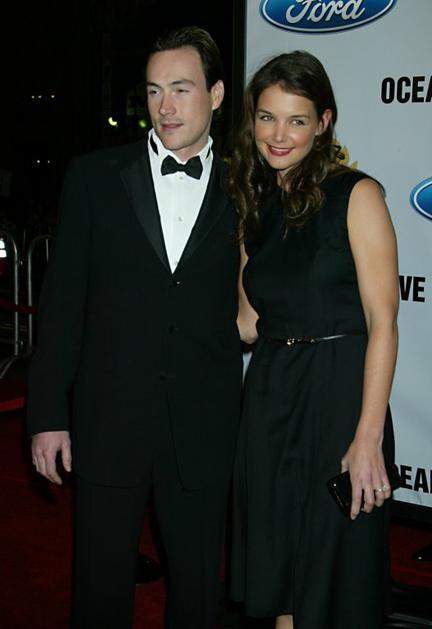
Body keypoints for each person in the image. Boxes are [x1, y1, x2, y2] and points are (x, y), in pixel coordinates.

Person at [27, 26, 243, 629]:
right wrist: (47, 413)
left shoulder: (249, 188)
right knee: (98, 593)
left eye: (181, 89)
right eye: (153, 91)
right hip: (109, 422)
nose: (164, 107)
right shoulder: (94, 178)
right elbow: (63, 304)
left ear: (216, 94)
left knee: (198, 596)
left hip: (203, 429)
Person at [229, 51, 399, 629]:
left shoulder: (357, 194)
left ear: (324, 123)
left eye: (296, 120)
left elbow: (383, 321)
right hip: (271, 395)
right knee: (280, 567)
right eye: (267, 117)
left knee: (331, 570)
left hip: (337, 395)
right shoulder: (255, 206)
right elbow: (246, 323)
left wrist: (368, 438)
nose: (278, 135)